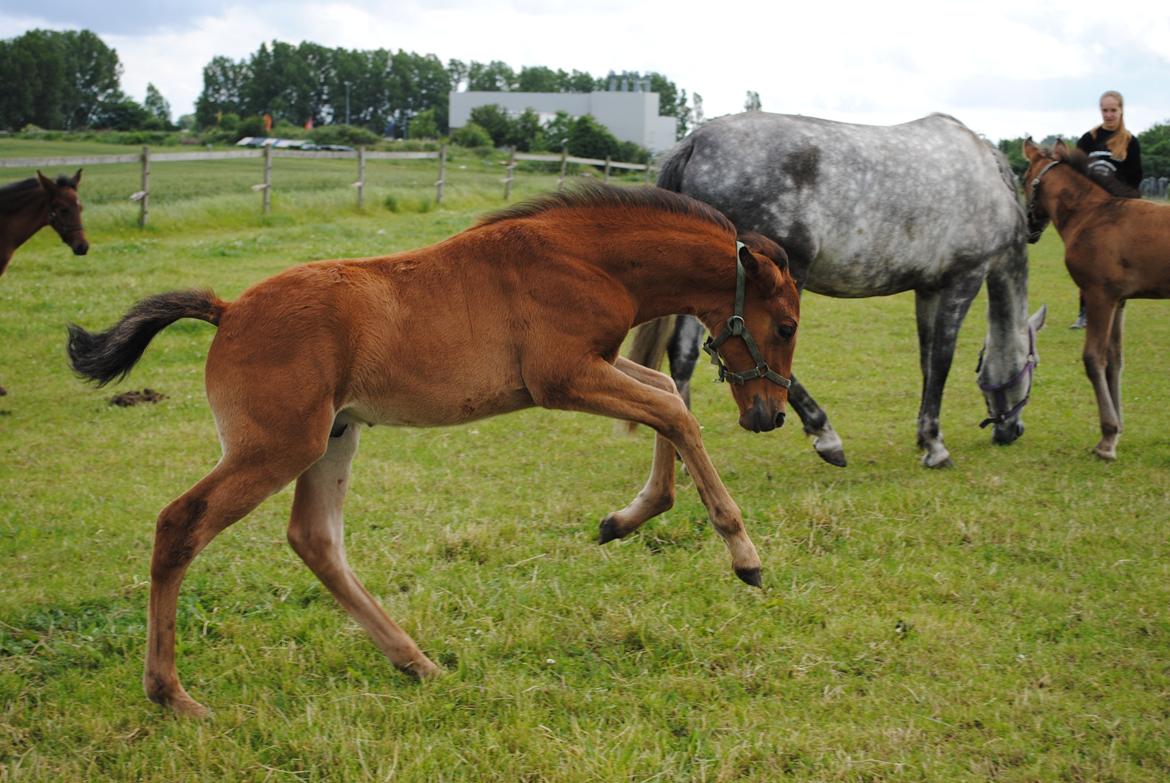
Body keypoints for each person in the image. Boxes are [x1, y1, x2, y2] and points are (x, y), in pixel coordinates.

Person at [1069, 90, 1143, 328]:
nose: (1109, 114)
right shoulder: (1089, 139)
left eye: (1113, 110)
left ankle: (1114, 308)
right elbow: (1075, 174)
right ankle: (1084, 312)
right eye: (1105, 110)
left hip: (1118, 212)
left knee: (1115, 265)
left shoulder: (1130, 142)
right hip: (1091, 213)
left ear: (1121, 110)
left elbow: (1135, 178)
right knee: (1088, 264)